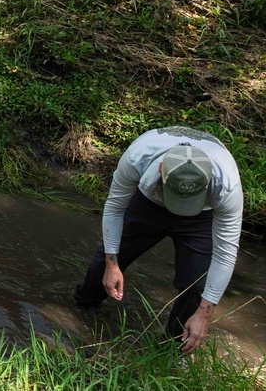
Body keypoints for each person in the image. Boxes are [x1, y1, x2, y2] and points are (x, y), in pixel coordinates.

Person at [74, 126, 243, 354]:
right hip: (148, 205)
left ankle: (172, 348)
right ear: (161, 169)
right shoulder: (139, 156)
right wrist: (112, 264)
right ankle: (83, 306)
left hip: (200, 218)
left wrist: (204, 312)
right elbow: (114, 207)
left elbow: (225, 254)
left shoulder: (227, 186)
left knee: (197, 284)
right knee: (108, 258)